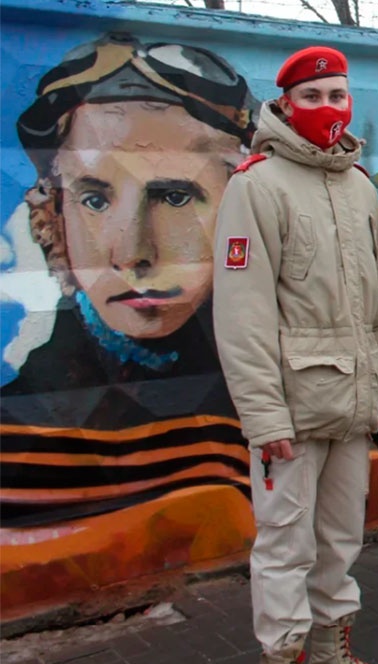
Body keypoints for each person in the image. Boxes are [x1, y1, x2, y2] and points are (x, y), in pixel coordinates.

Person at [212, 46, 378, 664]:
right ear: (287, 105)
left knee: (338, 541)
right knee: (284, 548)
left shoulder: (357, 186)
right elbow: (243, 318)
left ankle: (328, 660)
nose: (330, 110)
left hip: (351, 405)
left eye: (338, 98)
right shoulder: (255, 185)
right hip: (291, 415)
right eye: (315, 98)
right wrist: (264, 420)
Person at [2, 33, 257, 524]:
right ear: (54, 214)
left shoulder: (263, 381)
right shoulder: (20, 427)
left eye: (175, 197)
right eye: (94, 200)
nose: (131, 252)